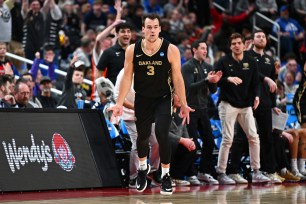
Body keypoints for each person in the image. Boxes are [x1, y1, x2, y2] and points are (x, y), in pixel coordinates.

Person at [107, 13, 194, 195]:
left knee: (162, 135)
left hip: (163, 98)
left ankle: (166, 175)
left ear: (160, 29)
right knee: (143, 137)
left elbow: (178, 78)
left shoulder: (171, 49)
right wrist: (119, 103)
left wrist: (184, 103)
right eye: (149, 27)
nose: (152, 30)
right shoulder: (133, 49)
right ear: (143, 29)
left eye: (155, 27)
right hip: (143, 98)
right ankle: (141, 169)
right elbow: (126, 78)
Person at [215, 32, 270, 184]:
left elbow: (256, 83)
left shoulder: (251, 61)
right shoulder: (223, 61)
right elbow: (214, 81)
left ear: (244, 44)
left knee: (254, 136)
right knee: (227, 138)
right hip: (228, 103)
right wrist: (227, 79)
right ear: (230, 46)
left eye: (239, 43)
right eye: (234, 44)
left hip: (245, 105)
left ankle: (256, 171)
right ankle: (221, 172)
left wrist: (257, 96)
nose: (237, 46)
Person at [228, 30, 283, 184]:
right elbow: (256, 76)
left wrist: (274, 105)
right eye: (258, 36)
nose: (261, 38)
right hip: (247, 101)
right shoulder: (246, 57)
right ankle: (233, 171)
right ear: (252, 40)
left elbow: (273, 84)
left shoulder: (269, 60)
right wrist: (266, 79)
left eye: (263, 36)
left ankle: (269, 171)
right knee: (241, 137)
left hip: (265, 103)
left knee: (267, 137)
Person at [181, 39, 222, 185]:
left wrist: (214, 81)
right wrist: (206, 80)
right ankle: (190, 173)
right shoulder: (187, 67)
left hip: (203, 109)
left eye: (206, 49)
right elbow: (188, 87)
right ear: (194, 50)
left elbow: (212, 90)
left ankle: (203, 172)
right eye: (202, 48)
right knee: (192, 143)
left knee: (210, 142)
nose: (205, 51)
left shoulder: (208, 66)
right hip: (190, 109)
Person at [114, 68, 161, 188]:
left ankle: (152, 172)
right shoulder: (124, 73)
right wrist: (136, 107)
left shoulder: (148, 69)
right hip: (129, 115)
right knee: (138, 143)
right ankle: (134, 177)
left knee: (156, 142)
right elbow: (118, 97)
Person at [169, 94, 201, 186]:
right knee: (170, 144)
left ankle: (176, 177)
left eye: (182, 96)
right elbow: (162, 134)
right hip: (164, 144)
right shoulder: (164, 112)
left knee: (191, 146)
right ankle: (164, 176)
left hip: (176, 144)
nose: (180, 98)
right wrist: (182, 140)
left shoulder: (182, 112)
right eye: (177, 95)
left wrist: (189, 142)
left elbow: (184, 130)